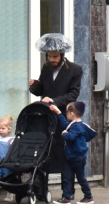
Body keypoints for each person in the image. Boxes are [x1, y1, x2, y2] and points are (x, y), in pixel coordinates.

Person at [29, 34, 83, 184]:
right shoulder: (46, 68)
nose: (52, 59)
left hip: (63, 117)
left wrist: (55, 101)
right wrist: (34, 86)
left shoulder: (75, 69)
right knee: (45, 151)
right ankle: (42, 188)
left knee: (64, 153)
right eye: (49, 56)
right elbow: (42, 90)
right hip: (47, 117)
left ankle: (68, 190)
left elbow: (73, 94)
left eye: (55, 57)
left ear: (62, 55)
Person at [50, 101, 96, 204]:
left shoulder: (77, 126)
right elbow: (66, 125)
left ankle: (88, 197)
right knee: (67, 177)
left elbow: (70, 136)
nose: (66, 115)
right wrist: (58, 113)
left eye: (67, 113)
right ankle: (66, 197)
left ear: (72, 114)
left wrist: (64, 134)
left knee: (80, 178)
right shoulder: (75, 125)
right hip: (71, 156)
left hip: (77, 157)